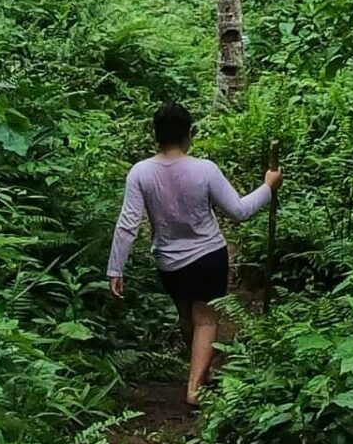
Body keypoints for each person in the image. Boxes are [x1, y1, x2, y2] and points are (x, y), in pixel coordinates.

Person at [106, 102, 281, 405]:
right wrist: (268, 187)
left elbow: (127, 224)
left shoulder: (140, 173)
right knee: (206, 319)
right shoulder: (205, 170)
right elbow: (239, 211)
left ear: (156, 136)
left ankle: (200, 373)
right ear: (189, 134)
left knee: (187, 316)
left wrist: (115, 269)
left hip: (169, 263)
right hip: (208, 256)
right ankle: (194, 388)